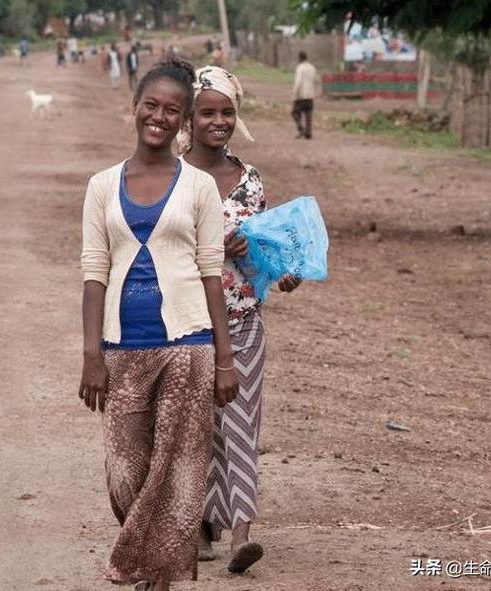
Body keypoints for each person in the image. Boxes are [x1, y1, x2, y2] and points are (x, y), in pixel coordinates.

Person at [79, 58, 239, 591]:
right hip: (124, 347)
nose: (160, 117)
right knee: (125, 472)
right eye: (152, 106)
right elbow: (94, 271)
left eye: (173, 110)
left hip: (189, 343)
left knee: (181, 467)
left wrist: (223, 358)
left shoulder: (199, 187)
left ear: (184, 120)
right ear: (135, 108)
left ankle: (157, 576)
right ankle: (148, 556)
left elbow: (212, 274)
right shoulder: (102, 186)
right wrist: (90, 354)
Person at [180, 66, 301, 574]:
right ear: (190, 116)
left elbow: (271, 257)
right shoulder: (172, 175)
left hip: (243, 321)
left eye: (227, 112)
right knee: (195, 427)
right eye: (208, 112)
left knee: (241, 425)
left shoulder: (250, 182)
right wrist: (208, 246)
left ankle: (241, 536)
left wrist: (278, 264)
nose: (219, 121)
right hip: (183, 321)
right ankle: (204, 521)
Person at [291, 51, 317, 139]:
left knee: (295, 112)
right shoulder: (312, 68)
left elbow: (298, 82)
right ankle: (308, 133)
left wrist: (294, 93)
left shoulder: (300, 68)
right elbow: (314, 80)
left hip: (301, 95)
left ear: (300, 58)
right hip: (310, 95)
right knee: (308, 114)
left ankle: (301, 129)